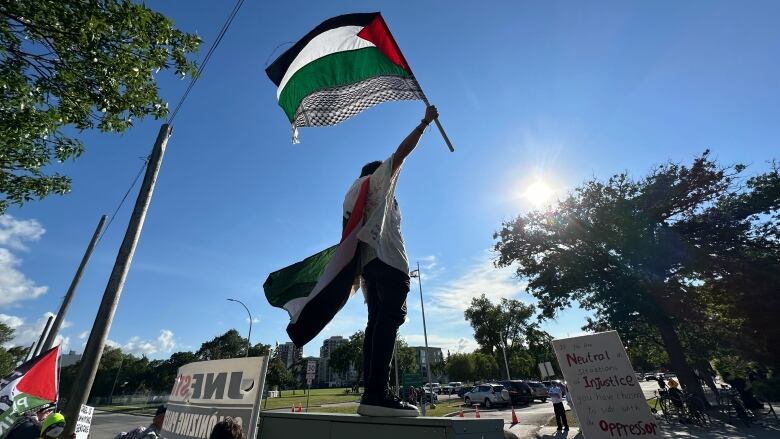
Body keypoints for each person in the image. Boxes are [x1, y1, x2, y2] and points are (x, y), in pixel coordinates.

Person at [347, 105, 439, 417]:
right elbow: (399, 155)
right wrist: (424, 123)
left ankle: (371, 391)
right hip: (389, 263)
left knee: (375, 324)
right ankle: (378, 393)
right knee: (389, 321)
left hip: (369, 266)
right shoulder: (377, 183)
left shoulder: (353, 193)